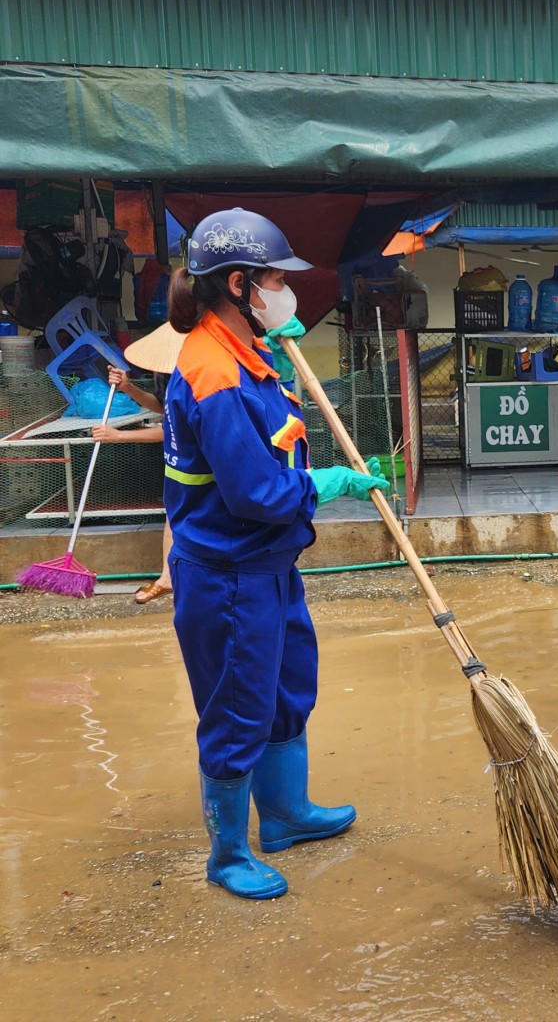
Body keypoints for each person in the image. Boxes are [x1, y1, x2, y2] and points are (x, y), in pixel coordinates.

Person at [164, 208, 389, 900]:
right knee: (236, 711)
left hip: (269, 567)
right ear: (238, 284)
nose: (283, 291)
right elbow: (257, 492)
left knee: (287, 693)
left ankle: (286, 816)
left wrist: (278, 343)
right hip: (229, 576)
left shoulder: (245, 355)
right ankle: (229, 854)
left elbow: (276, 431)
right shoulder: (213, 374)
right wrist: (332, 482)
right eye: (273, 280)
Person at [92, 361, 172, 603]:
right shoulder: (165, 369)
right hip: (181, 461)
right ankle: (168, 578)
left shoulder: (194, 371)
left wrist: (119, 435)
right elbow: (163, 408)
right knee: (175, 513)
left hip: (205, 456)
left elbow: (176, 428)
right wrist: (128, 388)